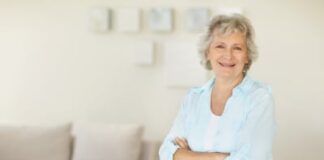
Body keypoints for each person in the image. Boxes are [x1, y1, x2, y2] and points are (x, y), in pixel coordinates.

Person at [159, 14, 276, 160]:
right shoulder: (193, 98)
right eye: (220, 46)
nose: (228, 55)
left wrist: (188, 155)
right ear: (208, 52)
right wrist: (217, 157)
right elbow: (166, 152)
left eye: (237, 48)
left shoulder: (259, 98)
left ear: (247, 56)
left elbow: (253, 157)